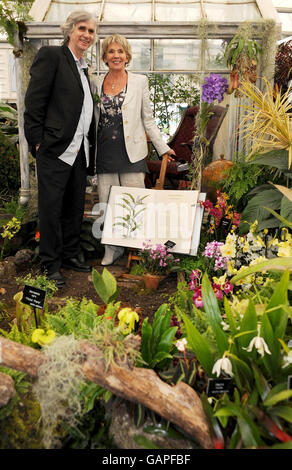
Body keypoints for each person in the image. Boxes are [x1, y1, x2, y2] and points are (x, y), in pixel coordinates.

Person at [24, 11, 98, 287]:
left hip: (80, 151)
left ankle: (69, 255)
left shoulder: (82, 67)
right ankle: (50, 264)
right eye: (82, 29)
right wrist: (37, 140)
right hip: (55, 149)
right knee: (51, 208)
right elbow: (34, 102)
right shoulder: (53, 56)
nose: (87, 35)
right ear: (69, 30)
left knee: (74, 207)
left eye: (91, 31)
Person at [90, 34, 176, 266]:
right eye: (111, 51)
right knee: (107, 204)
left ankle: (139, 248)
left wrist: (163, 147)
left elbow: (148, 119)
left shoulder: (139, 81)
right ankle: (112, 248)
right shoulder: (95, 82)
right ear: (105, 56)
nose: (116, 55)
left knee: (135, 203)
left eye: (120, 51)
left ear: (127, 56)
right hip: (104, 152)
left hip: (132, 152)